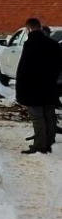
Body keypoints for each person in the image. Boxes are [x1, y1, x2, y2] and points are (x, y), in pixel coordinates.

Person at [16, 18, 62, 154]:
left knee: (37, 117)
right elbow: (59, 65)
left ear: (28, 29)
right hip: (50, 86)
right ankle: (48, 142)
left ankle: (40, 145)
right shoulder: (53, 44)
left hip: (32, 88)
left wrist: (21, 88)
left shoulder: (30, 44)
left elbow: (24, 68)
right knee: (49, 114)